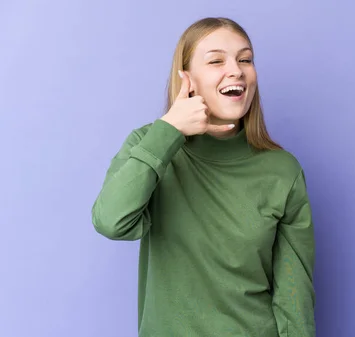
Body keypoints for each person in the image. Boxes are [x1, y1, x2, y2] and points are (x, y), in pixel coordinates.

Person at [91, 17, 316, 337]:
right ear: (187, 79)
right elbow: (111, 221)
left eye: (245, 59)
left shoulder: (282, 170)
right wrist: (168, 132)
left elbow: (295, 297)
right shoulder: (149, 145)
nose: (236, 70)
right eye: (216, 61)